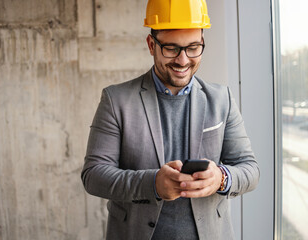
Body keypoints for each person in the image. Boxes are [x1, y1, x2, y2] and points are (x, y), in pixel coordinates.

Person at [81, 0, 259, 239]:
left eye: (193, 47)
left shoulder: (222, 99)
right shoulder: (116, 100)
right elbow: (94, 176)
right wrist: (153, 183)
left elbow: (250, 169)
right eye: (171, 49)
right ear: (151, 44)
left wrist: (221, 178)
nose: (183, 61)